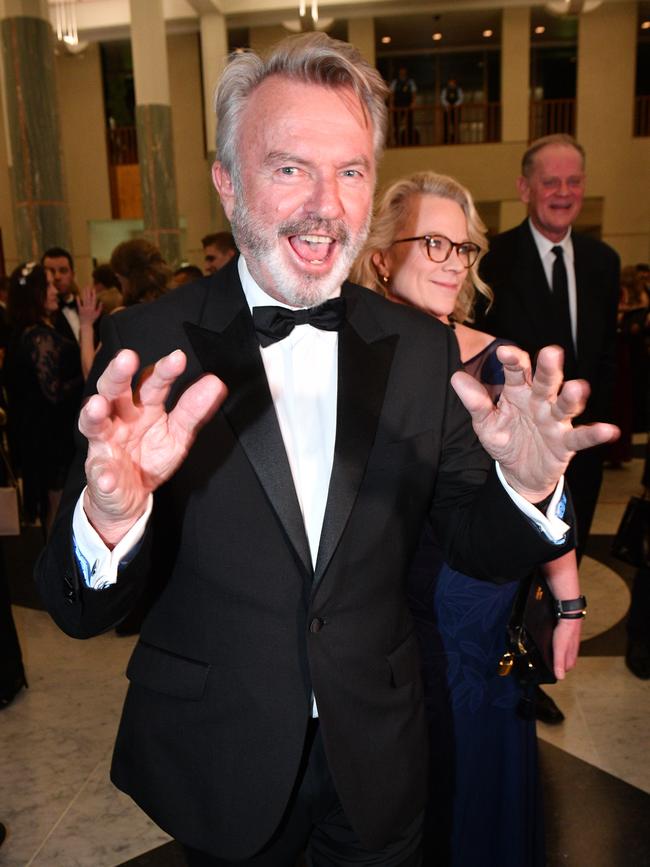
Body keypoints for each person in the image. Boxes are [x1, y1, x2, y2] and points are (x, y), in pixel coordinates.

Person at [35, 34, 616, 866]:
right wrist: (108, 518)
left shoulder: (420, 349)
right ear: (227, 183)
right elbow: (77, 610)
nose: (327, 204)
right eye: (289, 168)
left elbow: (476, 541)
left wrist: (527, 486)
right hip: (220, 755)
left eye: (350, 171)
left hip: (379, 750)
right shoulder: (149, 344)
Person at [352, 170, 583, 866]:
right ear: (381, 255)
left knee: (476, 784)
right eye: (434, 242)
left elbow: (545, 486)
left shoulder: (494, 361)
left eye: (466, 248)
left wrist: (568, 601)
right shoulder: (348, 356)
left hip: (469, 609)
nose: (455, 262)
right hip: (375, 615)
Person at [477, 135, 619, 567]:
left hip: (585, 442)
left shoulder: (604, 261)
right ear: (524, 188)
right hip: (523, 449)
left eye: (573, 181)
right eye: (551, 181)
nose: (563, 193)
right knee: (522, 565)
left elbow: (605, 352)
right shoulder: (492, 260)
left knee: (571, 553)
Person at [5, 263, 83, 532]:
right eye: (48, 285)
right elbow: (54, 392)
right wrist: (85, 377)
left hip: (45, 436)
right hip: (51, 439)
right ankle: (55, 572)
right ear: (35, 294)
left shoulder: (27, 331)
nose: (55, 290)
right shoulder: (39, 337)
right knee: (59, 511)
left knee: (58, 510)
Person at [42, 247, 80, 344]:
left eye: (63, 271)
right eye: (51, 271)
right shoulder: (41, 316)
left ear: (73, 274)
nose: (57, 277)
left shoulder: (88, 309)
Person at [389, 66, 417, 145]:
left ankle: (410, 142)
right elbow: (391, 94)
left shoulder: (410, 82)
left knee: (409, 124)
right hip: (397, 105)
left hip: (408, 106)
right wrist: (391, 104)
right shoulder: (395, 82)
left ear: (406, 72)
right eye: (401, 71)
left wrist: (413, 103)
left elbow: (414, 93)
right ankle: (397, 142)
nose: (402, 72)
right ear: (399, 72)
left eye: (404, 71)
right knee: (396, 125)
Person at [441, 78, 463, 144]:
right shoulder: (445, 90)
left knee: (455, 125)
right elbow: (442, 99)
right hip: (447, 110)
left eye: (453, 83)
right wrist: (448, 105)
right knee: (446, 125)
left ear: (455, 84)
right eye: (450, 83)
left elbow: (461, 98)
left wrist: (455, 105)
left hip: (456, 111)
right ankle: (446, 140)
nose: (451, 84)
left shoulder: (458, 90)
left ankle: (456, 139)